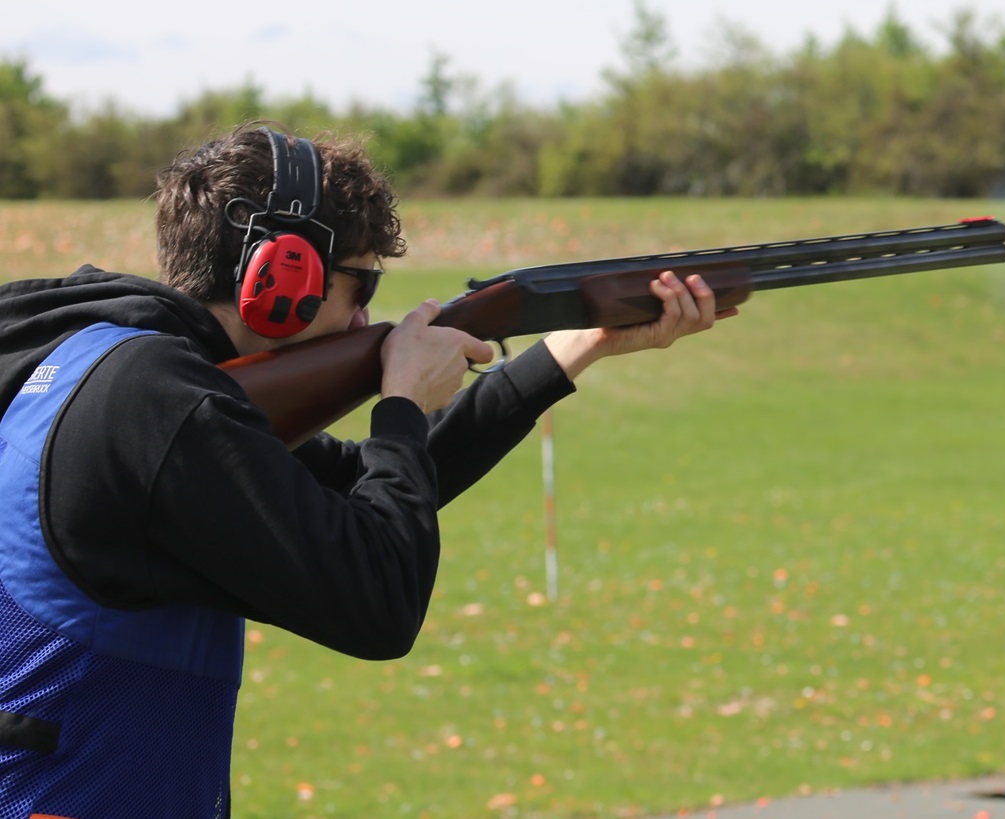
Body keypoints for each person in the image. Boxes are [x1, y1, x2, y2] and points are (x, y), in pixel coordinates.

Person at [0, 123, 736, 818]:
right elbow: (379, 599)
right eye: (362, 287)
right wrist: (402, 402)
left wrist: (576, 347)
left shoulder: (94, 359)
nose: (363, 322)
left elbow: (358, 482)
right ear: (282, 275)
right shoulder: (162, 403)